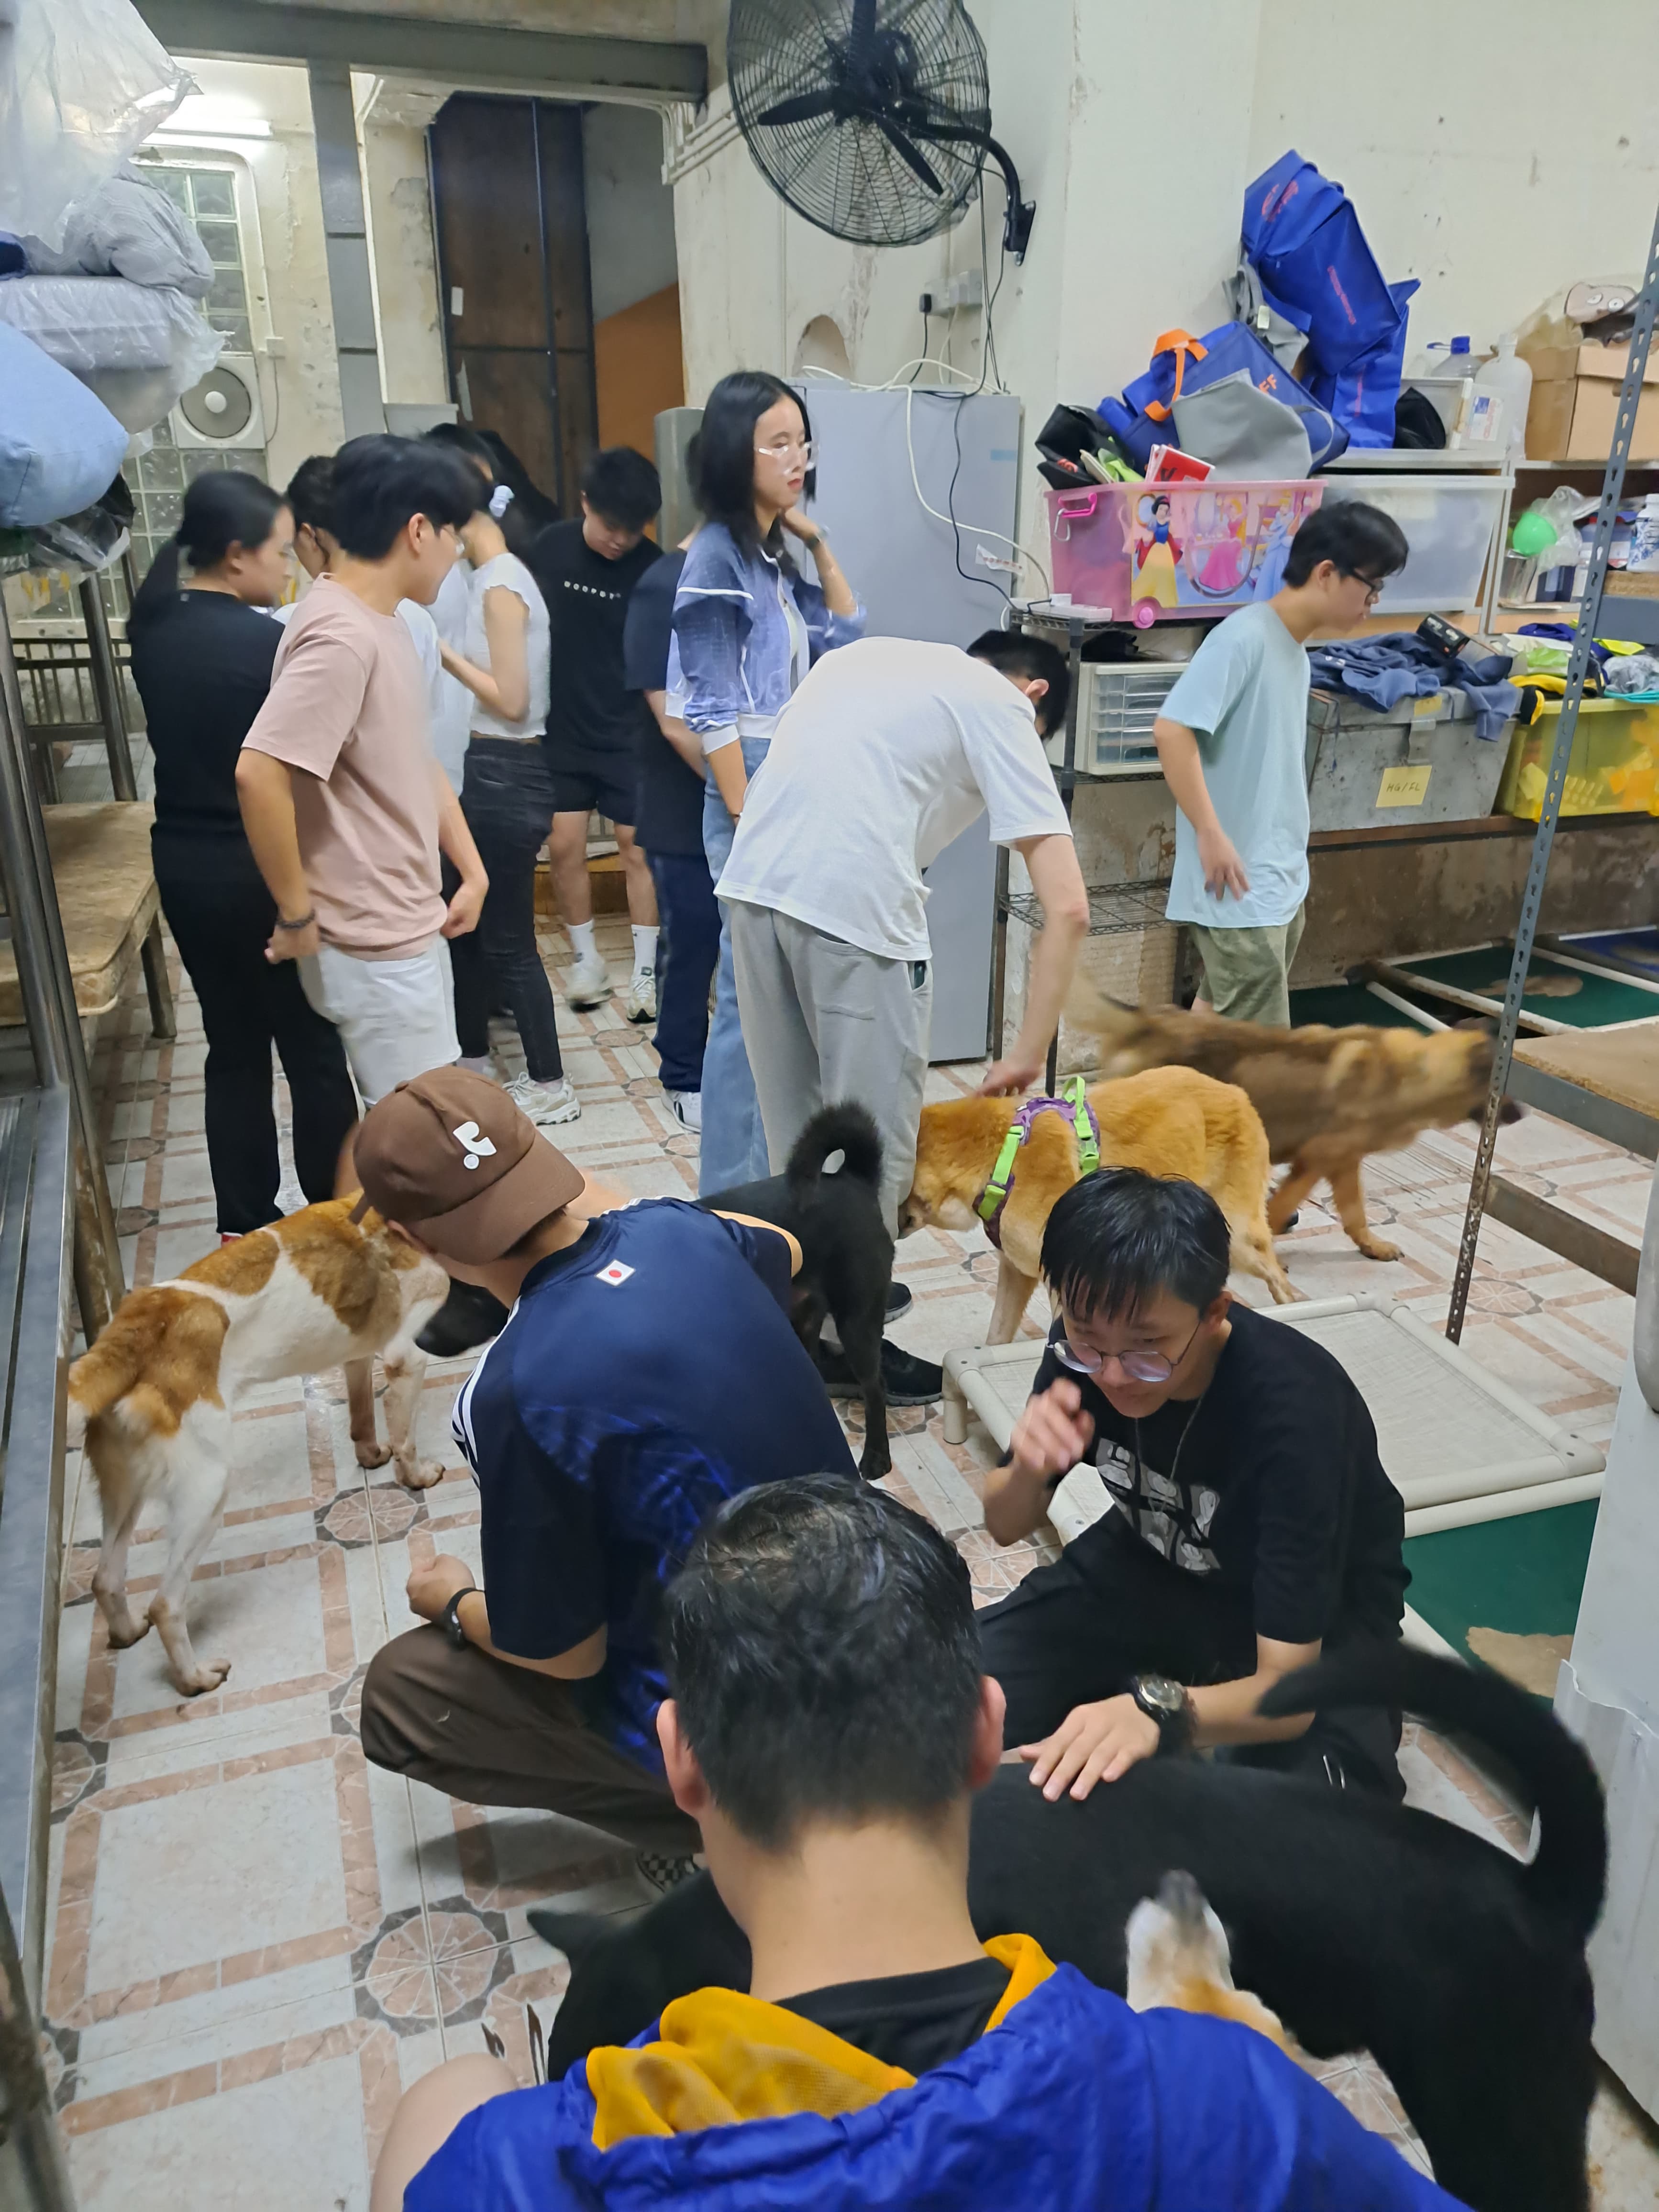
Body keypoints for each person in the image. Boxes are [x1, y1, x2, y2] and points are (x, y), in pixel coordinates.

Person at [374, 1476, 1458, 2212]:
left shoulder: (526, 2168)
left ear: (682, 1760)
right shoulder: (1215, 2095)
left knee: (451, 2087)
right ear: (987, 1731)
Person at [354, 1067, 857, 1888]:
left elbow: (565, 1657)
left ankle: (718, 1824)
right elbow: (788, 1249)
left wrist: (451, 1598)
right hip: (877, 1623)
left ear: (417, 1241)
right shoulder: (678, 1227)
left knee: (402, 1690)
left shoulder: (514, 1390)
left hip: (768, 1729)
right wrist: (636, 1223)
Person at [978, 1168, 1410, 1803]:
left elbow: (1289, 1693)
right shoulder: (1090, 1348)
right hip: (1148, 1567)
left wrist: (1157, 1710)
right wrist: (1028, 1469)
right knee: (938, 1695)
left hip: (1312, 1633)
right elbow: (1005, 1524)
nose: (1115, 1376)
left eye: (1149, 1349)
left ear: (1215, 1315)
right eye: (1087, 1340)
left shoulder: (1294, 1414)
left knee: (1309, 1840)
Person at [126, 473, 358, 1239]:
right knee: (312, 1046)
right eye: (279, 551)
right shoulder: (271, 645)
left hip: (186, 867)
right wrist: (298, 907)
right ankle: (332, 1210)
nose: (289, 568)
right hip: (265, 868)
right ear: (235, 556)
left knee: (232, 1046)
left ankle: (243, 1222)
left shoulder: (153, 627)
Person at [234, 434, 488, 1119]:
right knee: (421, 1138)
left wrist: (471, 868)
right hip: (373, 941)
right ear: (417, 531)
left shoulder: (389, 625)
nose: (459, 550)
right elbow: (260, 774)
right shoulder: (341, 634)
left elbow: (415, 757)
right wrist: (296, 914)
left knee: (411, 1127)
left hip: (408, 918)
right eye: (453, 533)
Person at [672, 371, 864, 1197]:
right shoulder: (715, 553)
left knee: (779, 1008)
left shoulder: (769, 555)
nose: (796, 458)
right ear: (733, 452)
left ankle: (769, 1200)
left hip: (784, 780)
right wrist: (751, 813)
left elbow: (847, 636)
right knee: (747, 1008)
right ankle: (729, 1200)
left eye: (801, 441)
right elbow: (710, 708)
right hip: (750, 786)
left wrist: (816, 543)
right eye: (776, 442)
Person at [1153, 499, 1408, 1027]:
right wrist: (1210, 833)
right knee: (1258, 1061)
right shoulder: (1243, 637)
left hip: (1274, 880)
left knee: (1213, 1022)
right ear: (1326, 574)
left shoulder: (1294, 650)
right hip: (1238, 883)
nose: (1374, 603)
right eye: (1372, 586)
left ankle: (1165, 1104)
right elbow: (1173, 729)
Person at [438, 484, 580, 1129]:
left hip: (505, 767)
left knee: (509, 942)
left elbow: (512, 699)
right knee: (482, 936)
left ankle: (549, 1082)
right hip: (498, 769)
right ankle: (476, 1062)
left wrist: (439, 652)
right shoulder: (495, 577)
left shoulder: (498, 584)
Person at [528, 448, 664, 1021]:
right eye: (611, 527)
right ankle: (586, 963)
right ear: (585, 504)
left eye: (633, 531)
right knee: (564, 848)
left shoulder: (652, 568)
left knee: (639, 851)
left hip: (631, 734)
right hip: (563, 731)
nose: (620, 541)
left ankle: (645, 972)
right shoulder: (548, 550)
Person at [622, 527, 717, 1136]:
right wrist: (744, 797)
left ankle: (732, 1070)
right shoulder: (663, 585)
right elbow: (675, 723)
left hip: (743, 800)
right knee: (692, 946)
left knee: (743, 954)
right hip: (685, 806)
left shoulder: (760, 578)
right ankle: (684, 1074)